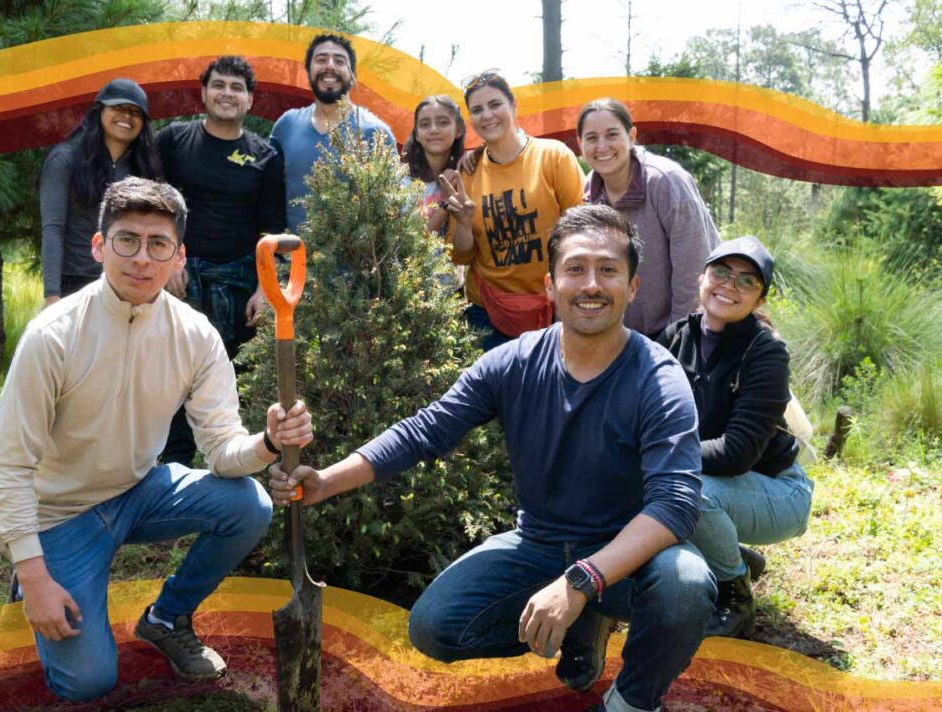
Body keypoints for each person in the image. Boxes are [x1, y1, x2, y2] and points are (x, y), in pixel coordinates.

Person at [270, 205, 716, 712]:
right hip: (540, 544)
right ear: (550, 284)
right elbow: (425, 430)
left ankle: (633, 699)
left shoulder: (658, 377)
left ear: (632, 286)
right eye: (575, 269)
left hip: (628, 556)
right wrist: (327, 481)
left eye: (608, 270)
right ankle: (584, 625)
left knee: (686, 586)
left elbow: (675, 504)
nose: (591, 284)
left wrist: (582, 581)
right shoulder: (514, 363)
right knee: (435, 628)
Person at [0, 178, 312, 702]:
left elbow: (223, 451)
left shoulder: (196, 335)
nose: (142, 258)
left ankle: (167, 617)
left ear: (178, 256)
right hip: (60, 515)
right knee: (88, 681)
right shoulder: (53, 335)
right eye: (126, 240)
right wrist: (35, 572)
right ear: (98, 246)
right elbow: (9, 466)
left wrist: (269, 442)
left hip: (138, 491)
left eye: (158, 244)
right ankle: (31, 580)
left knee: (248, 505)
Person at [656, 236, 813, 639]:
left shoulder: (765, 351)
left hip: (779, 491)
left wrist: (657, 454)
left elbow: (736, 454)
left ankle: (735, 595)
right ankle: (734, 552)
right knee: (633, 479)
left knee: (688, 491)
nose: (729, 285)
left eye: (746, 281)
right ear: (702, 277)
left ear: (759, 300)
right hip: (716, 482)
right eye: (721, 272)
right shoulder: (674, 337)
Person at [158, 55, 287, 466]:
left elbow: (271, 231)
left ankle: (235, 470)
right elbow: (155, 210)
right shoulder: (172, 141)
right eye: (219, 85)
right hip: (178, 281)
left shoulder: (265, 155)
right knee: (172, 379)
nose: (226, 93)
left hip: (238, 289)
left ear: (250, 100)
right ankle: (171, 477)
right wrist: (168, 266)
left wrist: (265, 289)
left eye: (236, 87)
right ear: (204, 93)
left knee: (234, 384)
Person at [442, 71, 585, 351]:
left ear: (513, 105)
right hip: (487, 314)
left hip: (554, 309)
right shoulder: (468, 173)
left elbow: (583, 231)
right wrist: (462, 222)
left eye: (495, 104)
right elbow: (461, 254)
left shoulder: (553, 156)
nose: (487, 115)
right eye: (477, 110)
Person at [577, 97, 719, 339]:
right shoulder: (592, 188)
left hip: (676, 334)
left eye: (612, 135)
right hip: (622, 337)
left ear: (631, 136)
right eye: (592, 138)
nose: (602, 147)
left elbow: (693, 271)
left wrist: (679, 339)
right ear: (580, 144)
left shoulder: (667, 182)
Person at [39, 78, 161, 305]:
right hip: (74, 285)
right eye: (118, 108)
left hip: (128, 284)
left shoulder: (145, 167)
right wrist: (52, 296)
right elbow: (53, 230)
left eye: (135, 112)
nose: (127, 116)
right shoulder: (65, 159)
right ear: (99, 111)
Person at [270, 33, 396, 233]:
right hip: (293, 259)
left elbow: (393, 210)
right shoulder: (286, 126)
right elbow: (269, 192)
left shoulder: (377, 134)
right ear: (308, 71)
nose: (330, 65)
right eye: (321, 59)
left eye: (339, 61)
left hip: (357, 262)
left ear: (353, 74)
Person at [402, 95, 467, 235]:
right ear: (417, 135)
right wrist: (445, 203)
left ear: (458, 130)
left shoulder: (465, 175)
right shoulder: (401, 182)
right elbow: (411, 246)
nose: (433, 130)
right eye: (424, 124)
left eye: (443, 122)